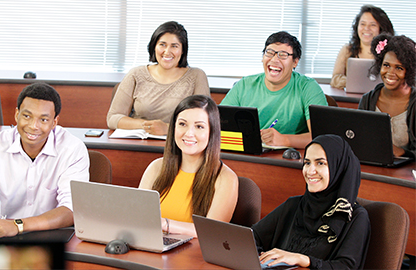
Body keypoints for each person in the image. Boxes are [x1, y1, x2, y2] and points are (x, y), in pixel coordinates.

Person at [0, 83, 89, 238]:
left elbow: (71, 210)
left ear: (54, 122)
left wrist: (17, 225)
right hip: (6, 235)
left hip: (54, 234)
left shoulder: (72, 149)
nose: (33, 126)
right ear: (17, 114)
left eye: (43, 119)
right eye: (27, 116)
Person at [252, 134, 370, 269]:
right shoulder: (294, 205)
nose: (310, 171)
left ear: (339, 167)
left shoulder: (355, 217)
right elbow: (252, 236)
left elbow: (346, 267)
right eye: (307, 163)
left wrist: (303, 259)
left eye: (320, 163)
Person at [138, 95, 238, 237]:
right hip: (150, 249)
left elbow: (212, 231)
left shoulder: (226, 178)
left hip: (192, 256)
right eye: (182, 124)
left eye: (199, 126)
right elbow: (137, 218)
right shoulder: (156, 167)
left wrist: (165, 224)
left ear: (212, 132)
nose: (189, 133)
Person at [220, 31, 327, 149]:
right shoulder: (244, 85)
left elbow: (322, 137)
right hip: (246, 154)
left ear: (295, 62)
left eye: (283, 55)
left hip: (288, 159)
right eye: (269, 53)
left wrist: (284, 139)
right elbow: (217, 127)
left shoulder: (308, 87)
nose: (274, 60)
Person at [107, 21, 210, 136]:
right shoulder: (136, 74)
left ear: (182, 50)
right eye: (162, 44)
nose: (167, 51)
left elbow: (203, 122)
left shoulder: (196, 76)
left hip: (180, 145)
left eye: (174, 46)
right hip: (138, 141)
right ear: (154, 47)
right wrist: (148, 126)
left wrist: (167, 128)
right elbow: (113, 118)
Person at [358, 33, 416, 159]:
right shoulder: (368, 100)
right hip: (373, 165)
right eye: (386, 65)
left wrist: (404, 153)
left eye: (399, 68)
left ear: (409, 71)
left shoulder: (414, 103)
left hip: (407, 173)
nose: (390, 73)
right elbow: (358, 140)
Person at [331, 5, 394, 89]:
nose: (366, 28)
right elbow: (335, 79)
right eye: (363, 24)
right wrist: (355, 82)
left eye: (373, 25)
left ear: (381, 29)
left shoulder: (390, 53)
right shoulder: (347, 50)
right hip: (352, 100)